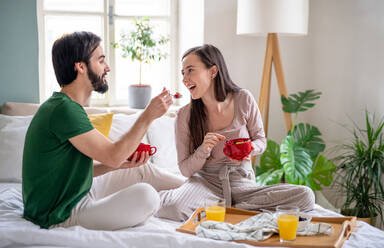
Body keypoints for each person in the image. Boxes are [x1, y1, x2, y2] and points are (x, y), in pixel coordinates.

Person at [22, 31, 184, 230]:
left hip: (72, 194)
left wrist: (117, 166)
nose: (107, 68)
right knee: (147, 196)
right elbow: (113, 155)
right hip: (59, 213)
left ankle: (195, 189)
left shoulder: (65, 106)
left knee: (140, 169)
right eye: (100, 61)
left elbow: (74, 172)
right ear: (80, 67)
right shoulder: (64, 110)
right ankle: (196, 194)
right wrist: (147, 116)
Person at [156, 44, 315, 221]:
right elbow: (185, 169)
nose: (185, 79)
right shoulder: (184, 115)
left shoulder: (243, 99)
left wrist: (249, 148)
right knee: (173, 207)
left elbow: (261, 140)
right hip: (205, 182)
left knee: (306, 196)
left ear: (213, 71)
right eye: (183, 73)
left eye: (190, 70)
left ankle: (227, 209)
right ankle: (237, 211)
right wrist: (203, 150)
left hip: (241, 181)